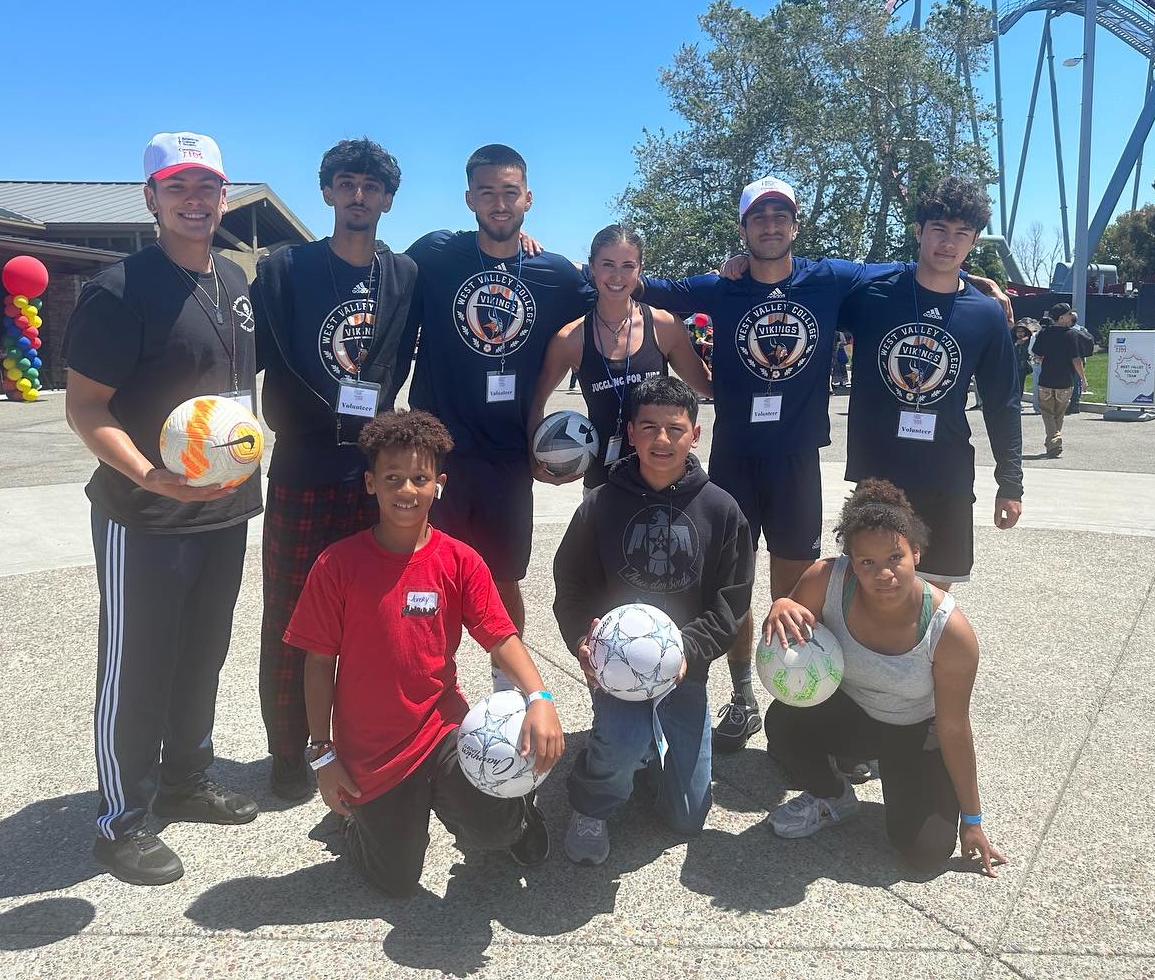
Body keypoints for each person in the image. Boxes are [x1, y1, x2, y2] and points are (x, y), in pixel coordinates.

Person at [637, 177, 902, 752]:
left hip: (796, 460)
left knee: (798, 587)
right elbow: (642, 283)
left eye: (781, 216)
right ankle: (742, 697)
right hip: (733, 457)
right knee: (732, 587)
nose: (771, 226)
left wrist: (976, 280)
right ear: (744, 229)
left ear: (796, 226)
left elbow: (908, 274)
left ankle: (802, 703)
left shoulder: (827, 278)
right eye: (760, 218)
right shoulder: (721, 286)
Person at [63, 132, 260, 885]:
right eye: (176, 186)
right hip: (142, 514)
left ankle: (185, 779)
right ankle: (122, 820)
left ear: (223, 195)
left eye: (206, 185)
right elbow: (86, 409)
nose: (193, 199)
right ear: (150, 198)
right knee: (138, 665)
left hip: (225, 508)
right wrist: (151, 475)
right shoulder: (119, 289)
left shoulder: (236, 282)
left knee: (202, 656)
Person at [285, 410, 562, 894]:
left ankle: (515, 816)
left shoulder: (460, 560)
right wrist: (323, 755)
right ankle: (360, 825)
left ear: (439, 484)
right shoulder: (337, 565)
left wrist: (540, 698)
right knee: (394, 880)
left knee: (492, 829)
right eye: (392, 478)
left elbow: (500, 636)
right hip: (372, 748)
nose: (406, 490)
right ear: (370, 483)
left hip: (443, 730)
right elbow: (317, 665)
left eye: (419, 478)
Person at [251, 138, 419, 802]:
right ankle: (288, 749)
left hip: (374, 471)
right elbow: (246, 361)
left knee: (373, 615)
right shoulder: (285, 270)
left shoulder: (404, 275)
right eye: (346, 184)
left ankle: (360, 735)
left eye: (371, 187)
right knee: (291, 616)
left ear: (385, 199)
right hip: (300, 464)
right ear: (327, 192)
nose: (358, 196)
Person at [403, 145, 592, 682]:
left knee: (503, 580)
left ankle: (506, 693)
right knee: (427, 576)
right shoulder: (436, 254)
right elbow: (376, 276)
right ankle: (429, 690)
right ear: (469, 199)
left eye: (510, 192)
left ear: (528, 199)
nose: (499, 203)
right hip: (438, 455)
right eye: (487, 192)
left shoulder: (553, 272)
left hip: (510, 456)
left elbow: (613, 304)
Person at [553, 378, 754, 863]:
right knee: (623, 743)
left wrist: (689, 651)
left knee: (684, 816)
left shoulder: (721, 509)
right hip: (617, 669)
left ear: (695, 436)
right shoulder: (600, 504)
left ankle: (641, 755)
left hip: (685, 669)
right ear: (630, 432)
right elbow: (571, 585)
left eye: (675, 429)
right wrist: (584, 640)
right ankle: (593, 795)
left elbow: (732, 602)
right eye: (649, 427)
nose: (662, 440)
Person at [762, 479, 1006, 877]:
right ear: (851, 562)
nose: (883, 574)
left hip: (914, 731)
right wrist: (781, 606)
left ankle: (906, 783)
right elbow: (782, 654)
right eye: (867, 563)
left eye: (895, 557)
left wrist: (973, 819)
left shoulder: (951, 631)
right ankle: (833, 796)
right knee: (783, 720)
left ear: (916, 551)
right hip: (853, 714)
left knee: (925, 853)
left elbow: (955, 726)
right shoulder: (826, 580)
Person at [838, 177, 1023, 591]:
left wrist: (1010, 484)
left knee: (934, 600)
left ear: (974, 242)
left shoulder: (986, 315)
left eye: (962, 234)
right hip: (879, 475)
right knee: (873, 592)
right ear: (919, 231)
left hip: (947, 475)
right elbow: (805, 287)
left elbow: (1002, 404)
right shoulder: (873, 296)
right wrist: (740, 266)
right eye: (939, 229)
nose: (948, 243)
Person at [528, 224, 712, 490]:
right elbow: (535, 402)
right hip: (602, 485)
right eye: (608, 264)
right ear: (592, 268)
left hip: (662, 480)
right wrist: (536, 456)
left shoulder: (664, 326)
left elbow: (707, 386)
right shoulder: (570, 339)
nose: (617, 276)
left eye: (628, 265)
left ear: (640, 269)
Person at [1031, 302, 1087, 457]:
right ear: (1062, 318)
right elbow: (1076, 359)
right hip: (1065, 381)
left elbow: (1037, 354)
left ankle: (1053, 443)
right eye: (1069, 314)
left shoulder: (1044, 333)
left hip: (1046, 380)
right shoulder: (1072, 335)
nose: (1072, 316)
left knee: (1047, 413)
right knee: (1059, 413)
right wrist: (1083, 379)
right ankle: (1055, 439)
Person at [1012, 320, 1035, 405]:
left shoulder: (1028, 341)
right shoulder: (1012, 341)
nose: (1020, 333)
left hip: (1022, 367)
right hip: (1013, 367)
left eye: (1022, 331)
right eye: (1018, 331)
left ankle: (1017, 402)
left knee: (1020, 386)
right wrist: (1016, 345)